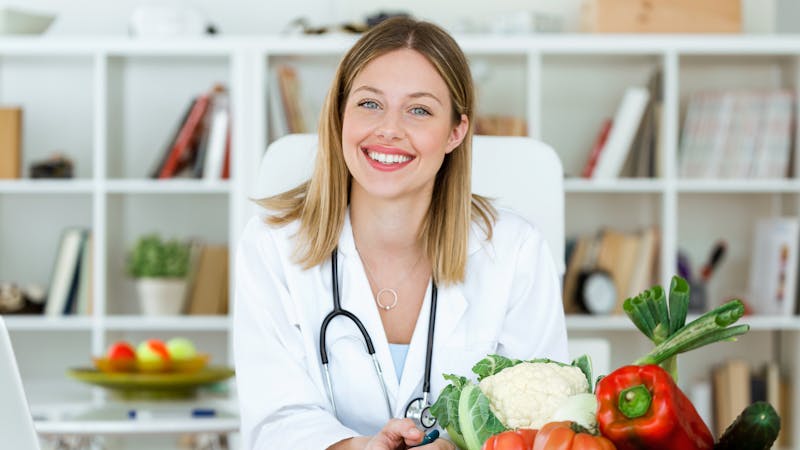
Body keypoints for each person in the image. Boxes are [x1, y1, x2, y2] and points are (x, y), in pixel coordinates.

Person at [233, 17, 568, 449]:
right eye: (370, 104)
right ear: (339, 116)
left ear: (455, 132)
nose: (389, 129)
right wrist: (357, 447)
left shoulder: (515, 251)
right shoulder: (272, 245)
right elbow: (272, 421)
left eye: (419, 110)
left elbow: (546, 423)